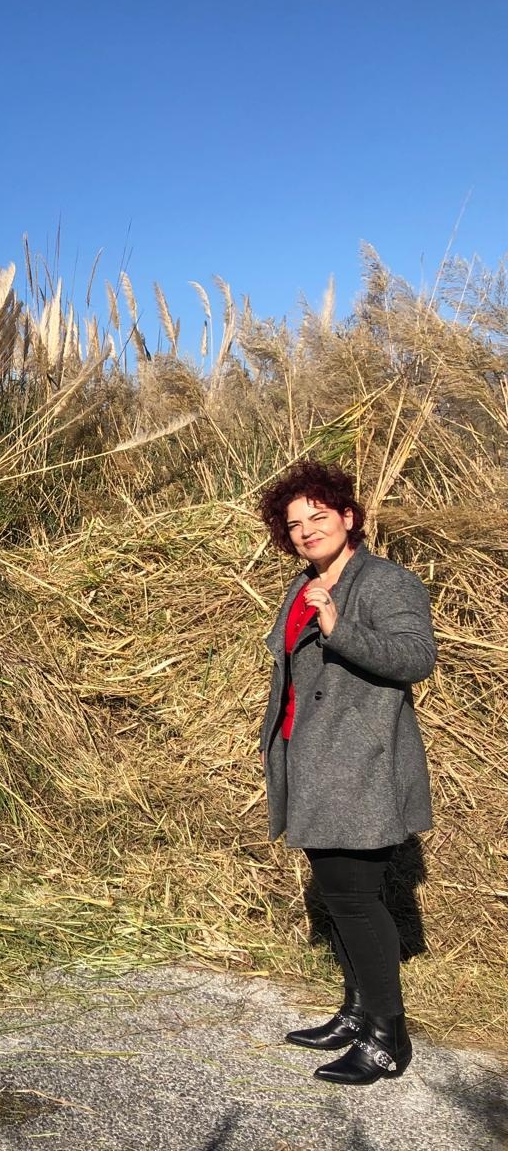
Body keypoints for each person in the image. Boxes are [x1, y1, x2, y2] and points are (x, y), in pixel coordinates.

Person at [256, 459, 436, 1085]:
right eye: (295, 523)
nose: (306, 531)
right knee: (339, 896)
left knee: (357, 901)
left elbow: (416, 658)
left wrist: (340, 626)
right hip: (312, 763)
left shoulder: (385, 583)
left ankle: (388, 1038)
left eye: (318, 517)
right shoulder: (302, 585)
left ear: (348, 517)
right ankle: (358, 1012)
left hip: (361, 766)